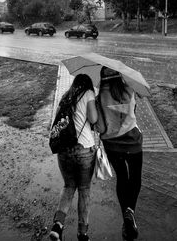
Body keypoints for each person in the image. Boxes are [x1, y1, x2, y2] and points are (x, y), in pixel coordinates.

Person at [96, 66, 143, 241]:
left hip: (111, 145)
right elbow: (133, 112)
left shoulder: (98, 97)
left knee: (122, 177)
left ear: (102, 78)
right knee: (135, 178)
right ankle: (130, 211)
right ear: (119, 76)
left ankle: (126, 215)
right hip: (133, 142)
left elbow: (99, 126)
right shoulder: (130, 89)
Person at [49, 74, 98, 241]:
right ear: (88, 84)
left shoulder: (65, 96)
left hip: (64, 150)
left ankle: (58, 225)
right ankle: (82, 233)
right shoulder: (89, 94)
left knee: (69, 186)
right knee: (84, 190)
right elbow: (93, 119)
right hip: (84, 149)